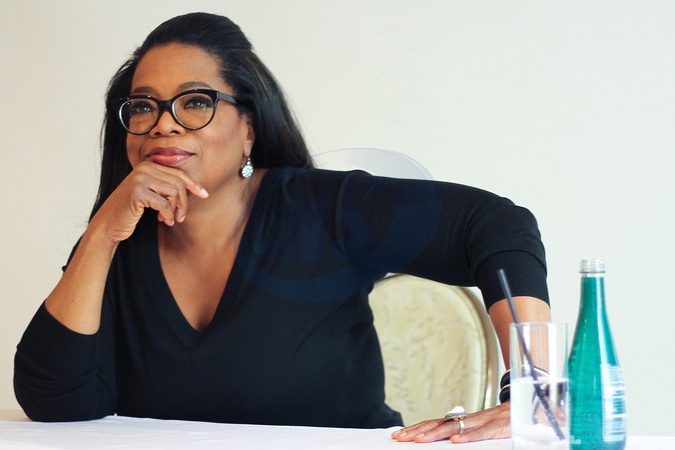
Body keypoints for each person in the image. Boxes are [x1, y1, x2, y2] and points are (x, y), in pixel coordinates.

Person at [14, 12, 551, 444]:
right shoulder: (119, 242)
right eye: (143, 107)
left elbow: (497, 225)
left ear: (248, 128)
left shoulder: (325, 209)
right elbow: (58, 404)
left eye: (196, 102)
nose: (164, 123)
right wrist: (103, 232)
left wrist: (535, 391)